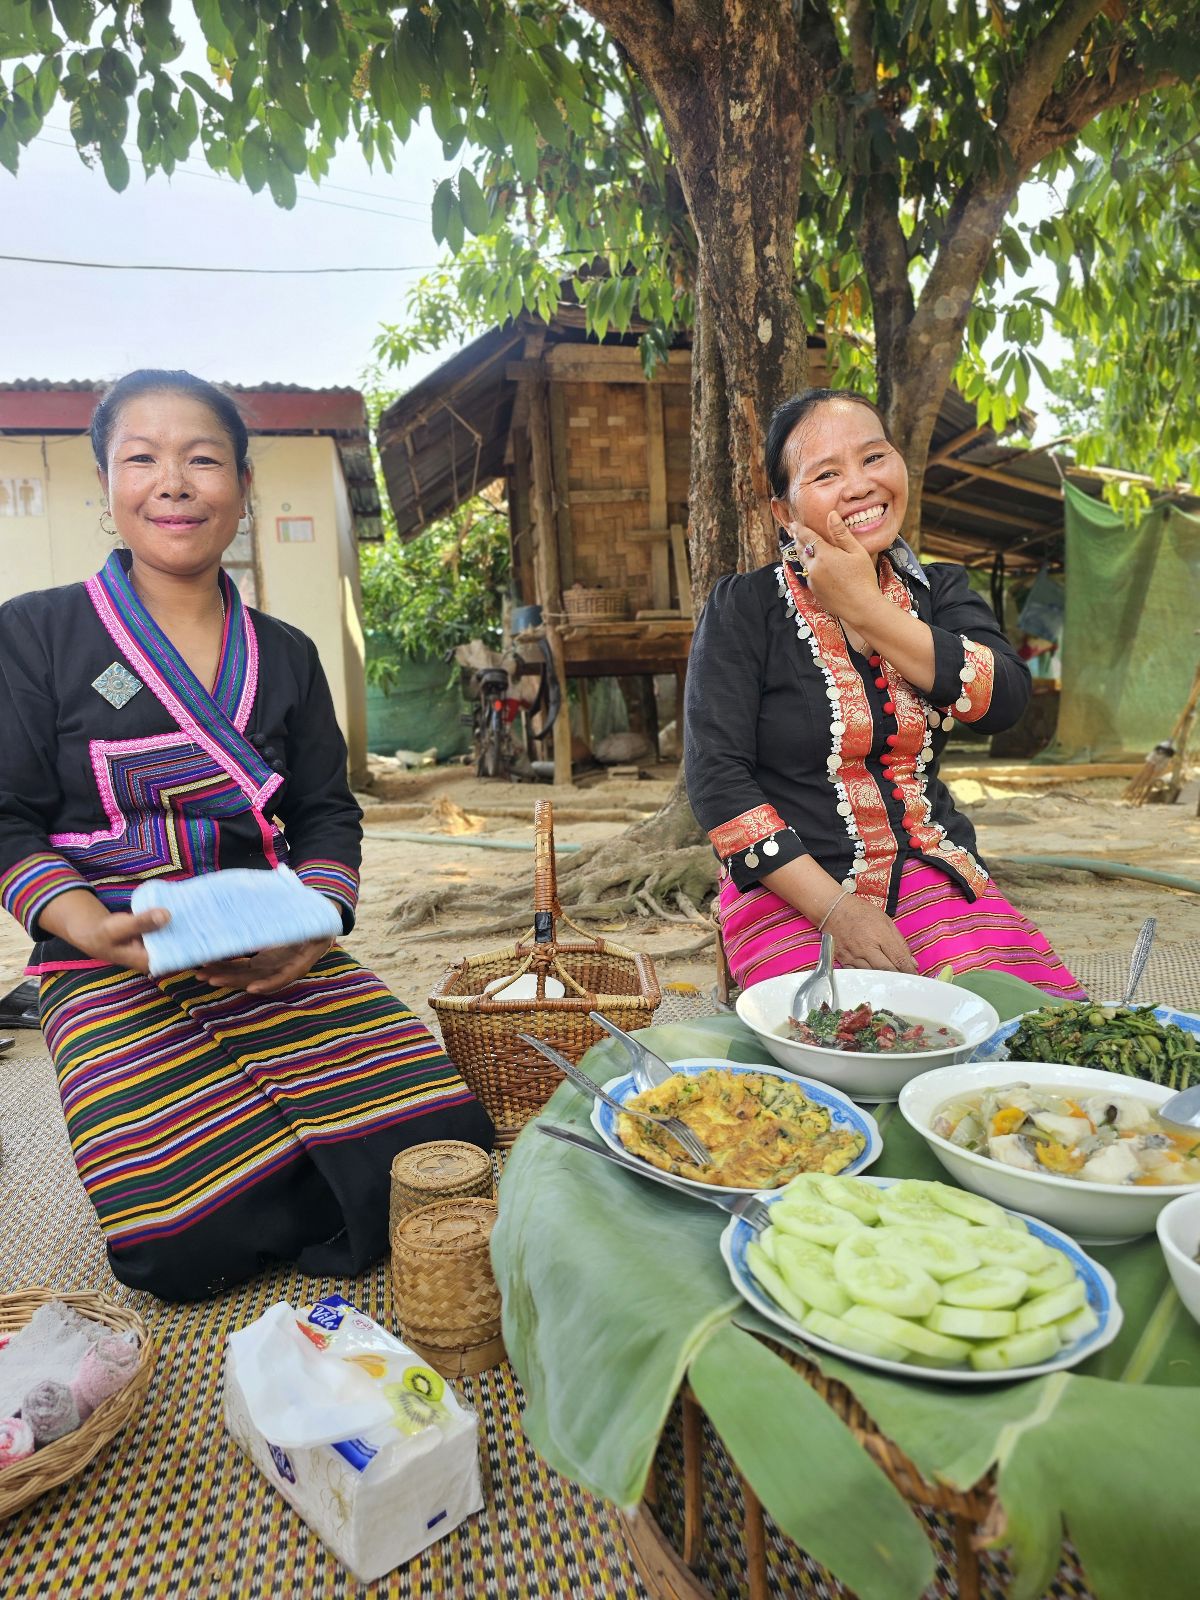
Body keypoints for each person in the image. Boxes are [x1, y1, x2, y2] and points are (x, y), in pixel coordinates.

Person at [0, 370, 492, 1301]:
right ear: (105, 485)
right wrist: (85, 924)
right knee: (177, 1241)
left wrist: (317, 923)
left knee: (446, 1142)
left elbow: (324, 812)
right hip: (106, 959)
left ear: (243, 483)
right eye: (140, 460)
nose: (172, 484)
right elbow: (7, 819)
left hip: (268, 948)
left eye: (202, 459)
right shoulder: (34, 634)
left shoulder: (289, 655)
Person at [684, 388, 1085, 997]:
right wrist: (837, 912)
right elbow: (717, 782)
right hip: (788, 885)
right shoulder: (744, 607)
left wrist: (865, 608)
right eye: (826, 474)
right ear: (785, 511)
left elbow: (1002, 702)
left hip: (931, 867)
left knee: (1009, 1023)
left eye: (874, 457)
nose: (859, 485)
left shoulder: (940, 591)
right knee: (846, 1032)